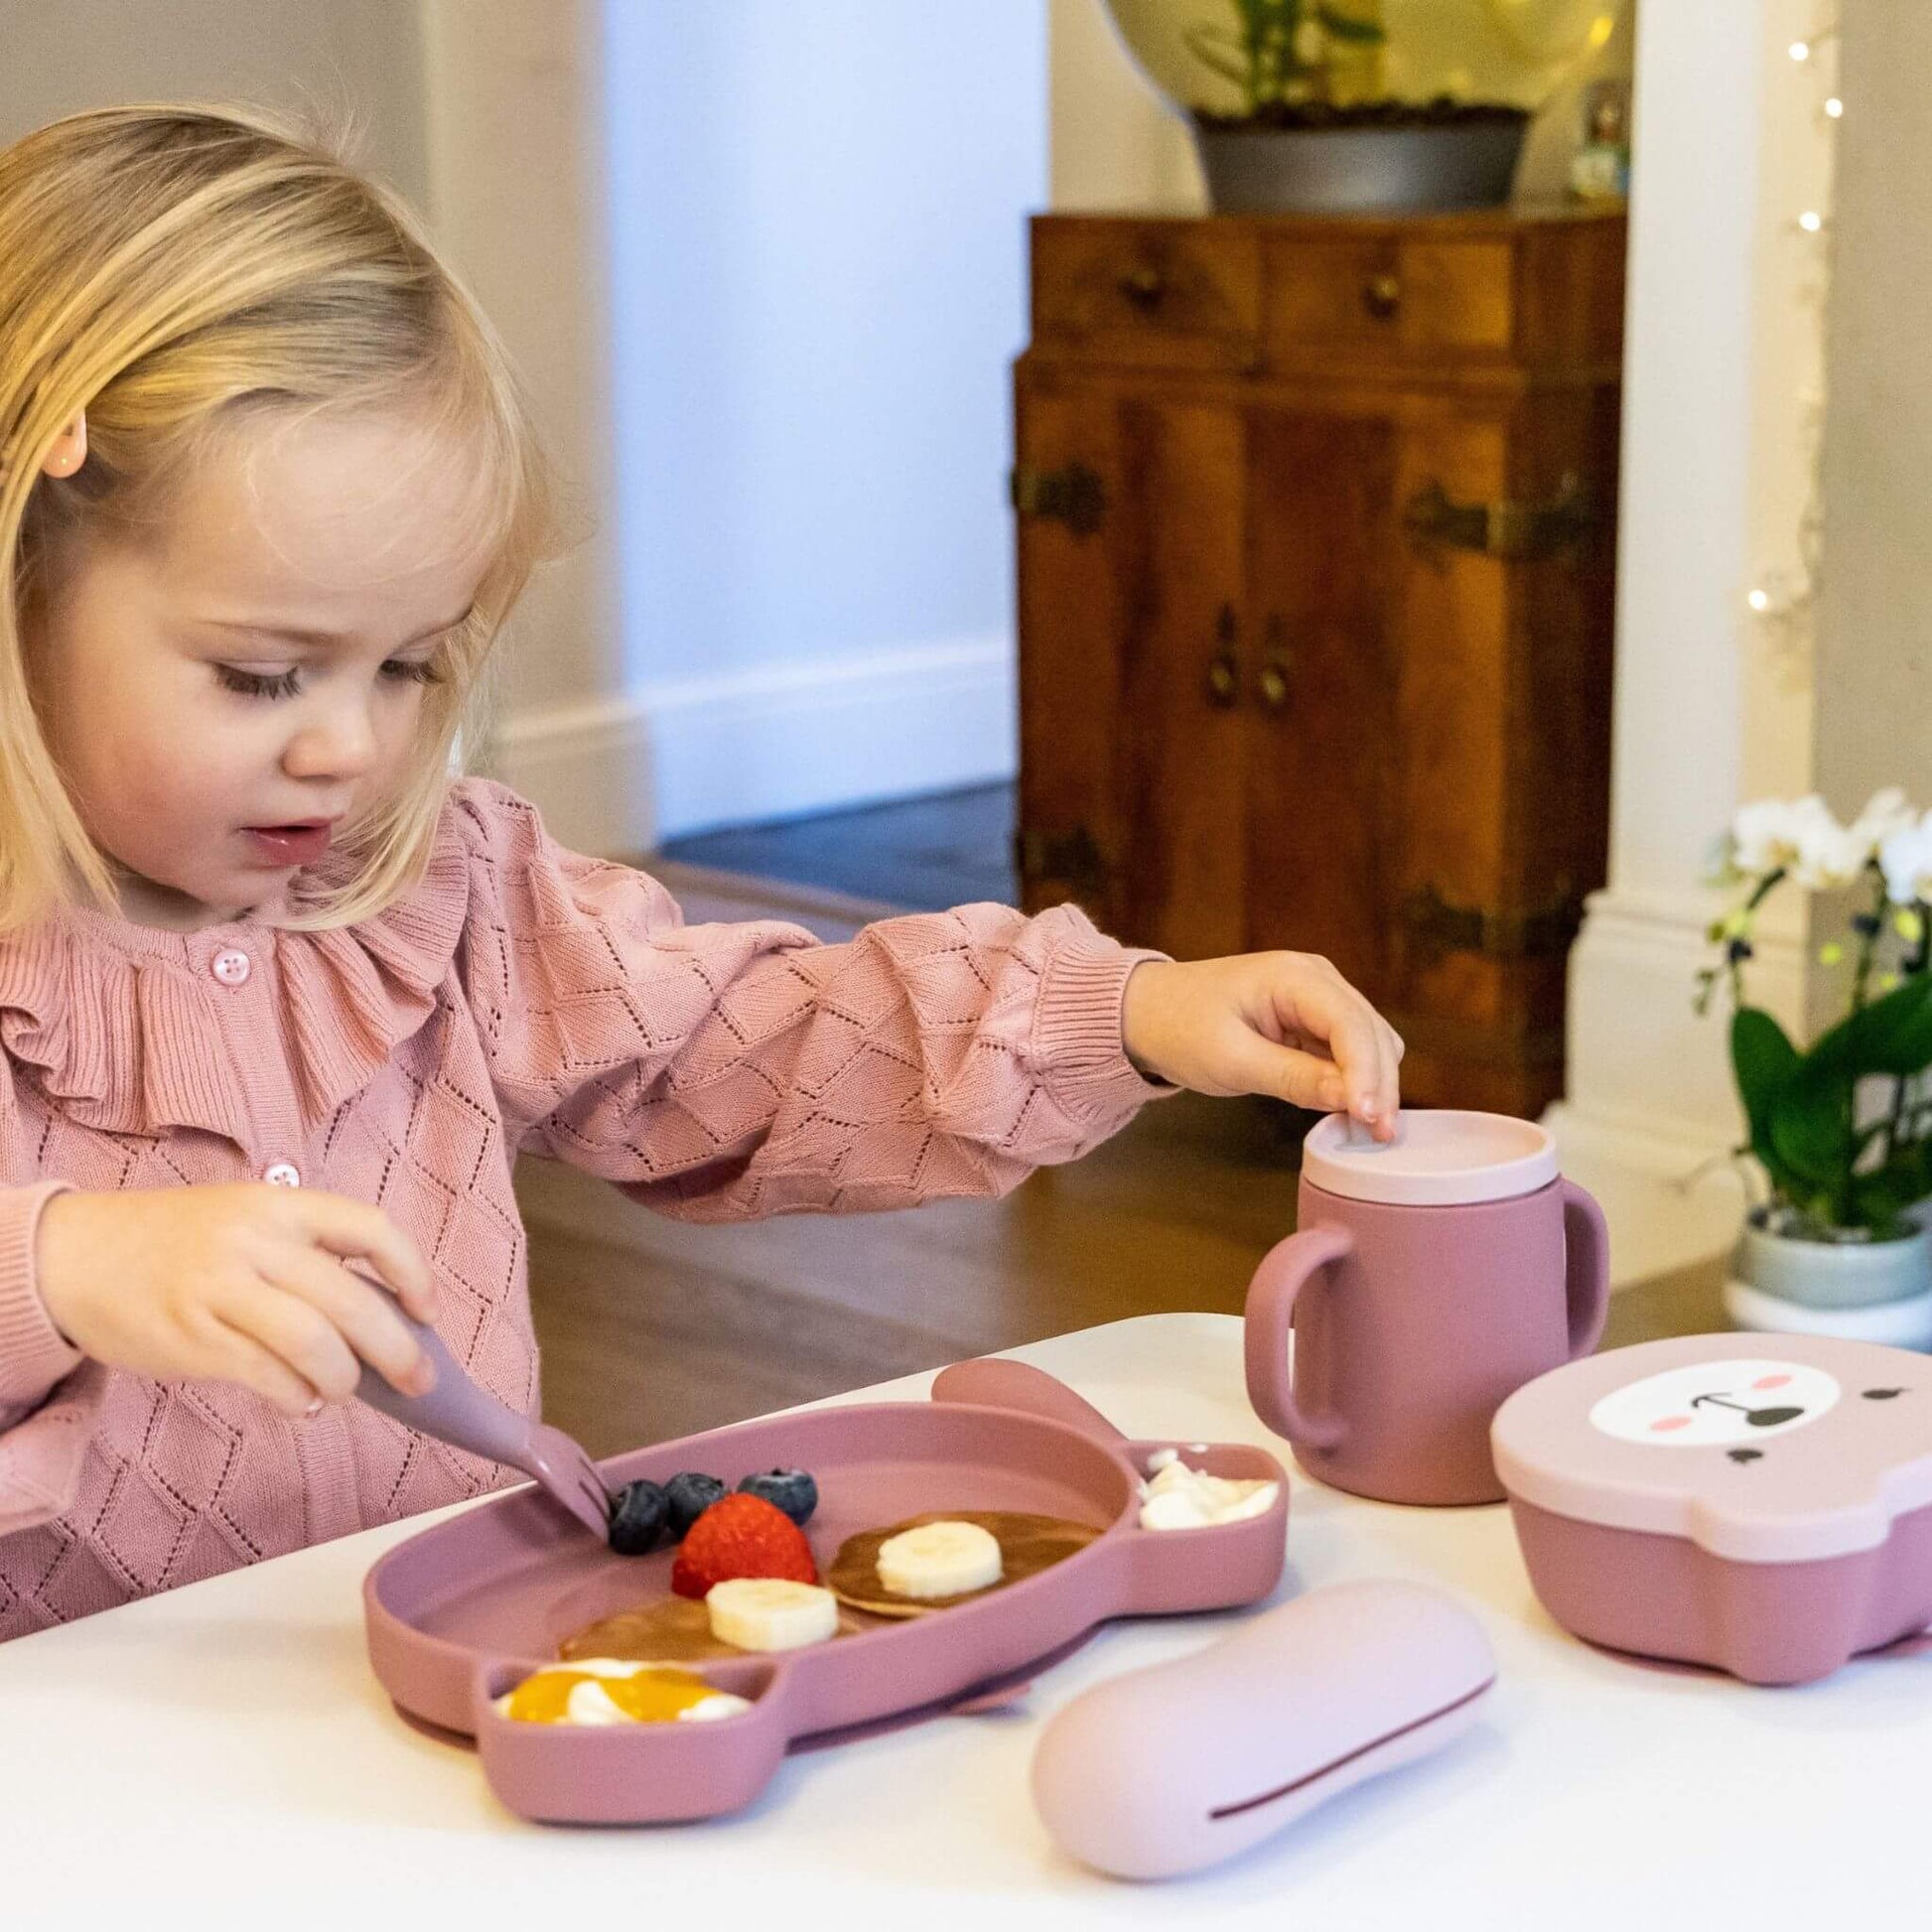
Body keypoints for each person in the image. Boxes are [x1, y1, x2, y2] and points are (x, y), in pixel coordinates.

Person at [0, 103, 1402, 1637]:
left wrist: (1119, 1012)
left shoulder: (439, 898)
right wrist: (63, 1259)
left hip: (426, 1684)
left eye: (405, 667)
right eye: (264, 676)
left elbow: (756, 1034)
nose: (346, 747)